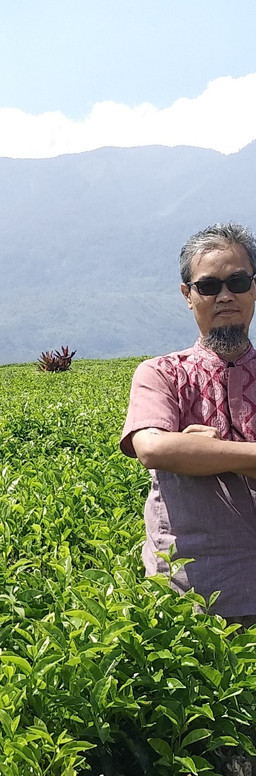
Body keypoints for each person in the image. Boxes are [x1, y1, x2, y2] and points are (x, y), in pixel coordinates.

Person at [121, 222, 256, 625]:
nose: (225, 295)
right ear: (188, 295)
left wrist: (202, 452)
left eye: (237, 281)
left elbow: (173, 449)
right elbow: (154, 448)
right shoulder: (160, 373)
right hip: (190, 594)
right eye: (209, 286)